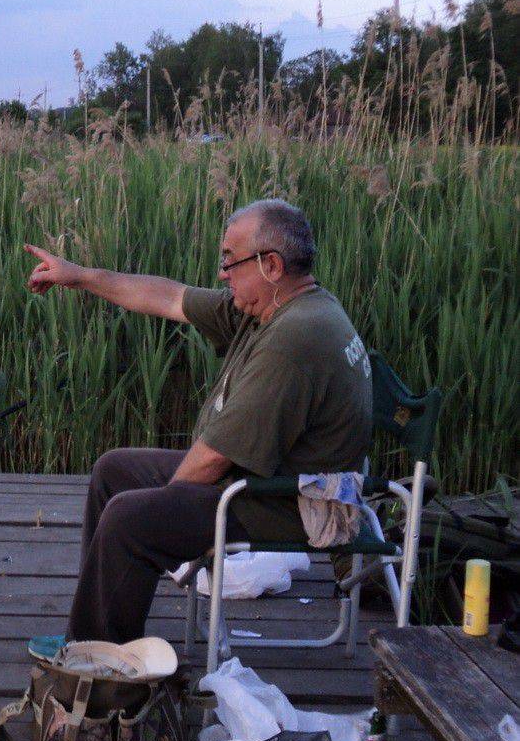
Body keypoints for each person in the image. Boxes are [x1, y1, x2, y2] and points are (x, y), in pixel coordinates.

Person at [24, 198, 372, 645]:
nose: (223, 273)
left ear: (270, 265)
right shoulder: (279, 306)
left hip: (286, 502)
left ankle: (100, 663)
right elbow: (169, 297)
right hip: (261, 479)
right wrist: (80, 276)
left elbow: (212, 458)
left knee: (130, 518)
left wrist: (160, 513)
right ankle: (98, 634)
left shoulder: (293, 338)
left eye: (230, 260)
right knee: (115, 471)